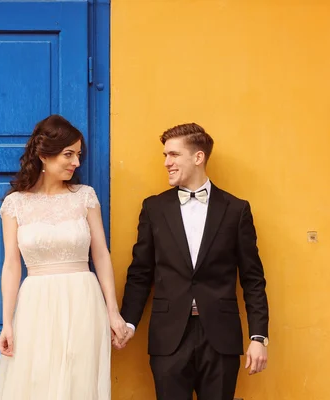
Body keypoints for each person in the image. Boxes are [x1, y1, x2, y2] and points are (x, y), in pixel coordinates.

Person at [117, 123, 270, 400]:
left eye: (173, 155)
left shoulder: (236, 210)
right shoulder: (154, 208)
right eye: (165, 155)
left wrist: (258, 337)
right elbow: (140, 272)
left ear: (198, 157)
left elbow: (253, 279)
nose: (166, 163)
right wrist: (128, 322)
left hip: (221, 339)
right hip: (168, 338)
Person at [0, 114, 127, 400]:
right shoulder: (15, 204)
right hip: (36, 304)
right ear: (43, 155)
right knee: (36, 384)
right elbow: (12, 264)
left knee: (79, 384)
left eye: (78, 154)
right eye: (68, 154)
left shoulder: (84, 196)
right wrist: (7, 322)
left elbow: (100, 254)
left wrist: (113, 312)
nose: (76, 162)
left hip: (83, 301)